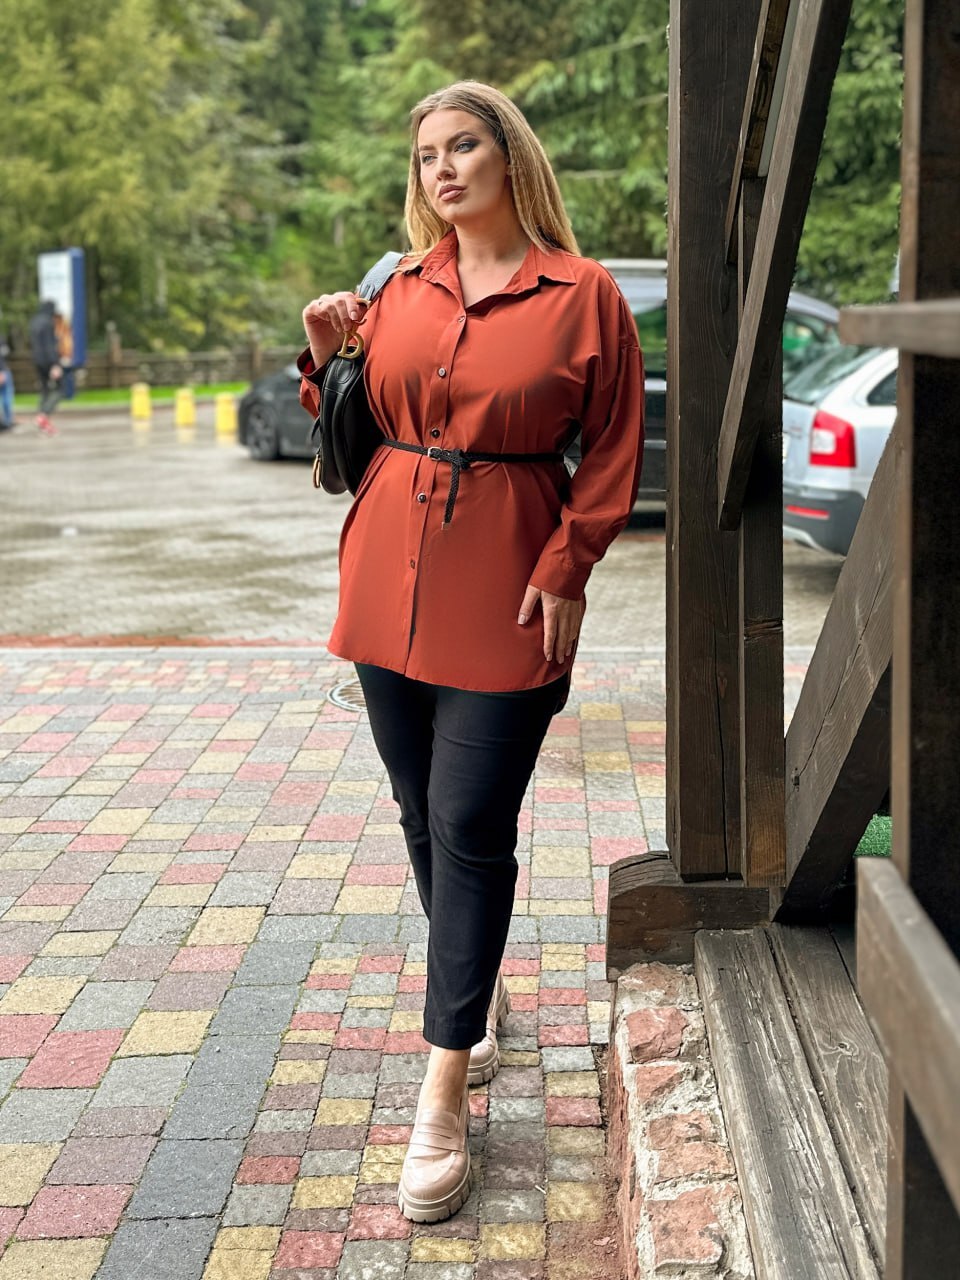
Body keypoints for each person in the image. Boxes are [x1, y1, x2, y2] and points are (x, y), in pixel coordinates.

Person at [299, 80, 644, 1223]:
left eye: (463, 146)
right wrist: (325, 356)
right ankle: (474, 989)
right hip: (384, 576)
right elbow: (353, 428)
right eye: (427, 154)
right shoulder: (397, 284)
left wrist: (567, 565)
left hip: (507, 588)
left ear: (510, 157)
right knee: (418, 807)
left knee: (469, 820)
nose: (442, 168)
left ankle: (444, 1085)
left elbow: (613, 449)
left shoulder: (584, 294)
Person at [28, 300, 63, 435]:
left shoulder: (34, 322)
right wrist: (55, 364)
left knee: (44, 390)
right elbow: (49, 345)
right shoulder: (48, 323)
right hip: (48, 361)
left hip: (37, 360)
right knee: (60, 389)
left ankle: (42, 423)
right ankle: (44, 414)